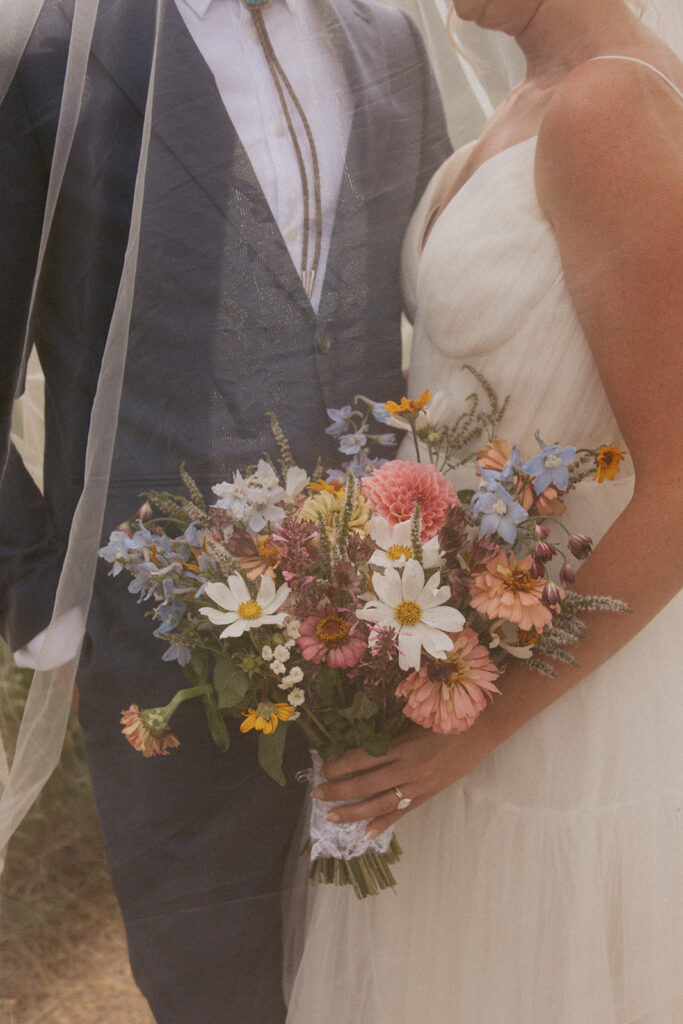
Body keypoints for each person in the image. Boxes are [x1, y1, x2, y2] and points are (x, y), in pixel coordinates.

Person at [0, 0, 450, 1020]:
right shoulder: (49, 57)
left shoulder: (388, 40)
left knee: (404, 970)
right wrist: (51, 612)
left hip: (397, 629)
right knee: (217, 984)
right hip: (159, 651)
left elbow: (445, 304)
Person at [285, 0, 683, 1020]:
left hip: (557, 711)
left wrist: (475, 728)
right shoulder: (524, 95)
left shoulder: (604, 104)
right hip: (456, 668)